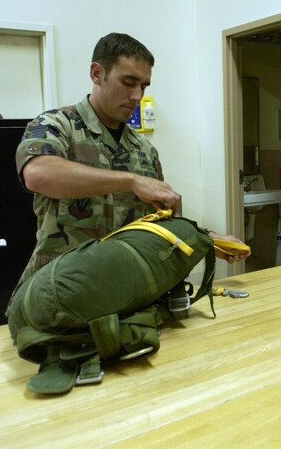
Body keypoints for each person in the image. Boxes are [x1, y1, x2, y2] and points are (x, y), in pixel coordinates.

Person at [13, 32, 249, 287]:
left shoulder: (144, 150)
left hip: (124, 293)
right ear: (97, 74)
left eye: (144, 86)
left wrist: (208, 239)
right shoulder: (56, 125)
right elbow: (38, 174)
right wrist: (130, 181)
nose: (137, 96)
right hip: (60, 295)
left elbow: (163, 221)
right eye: (128, 82)